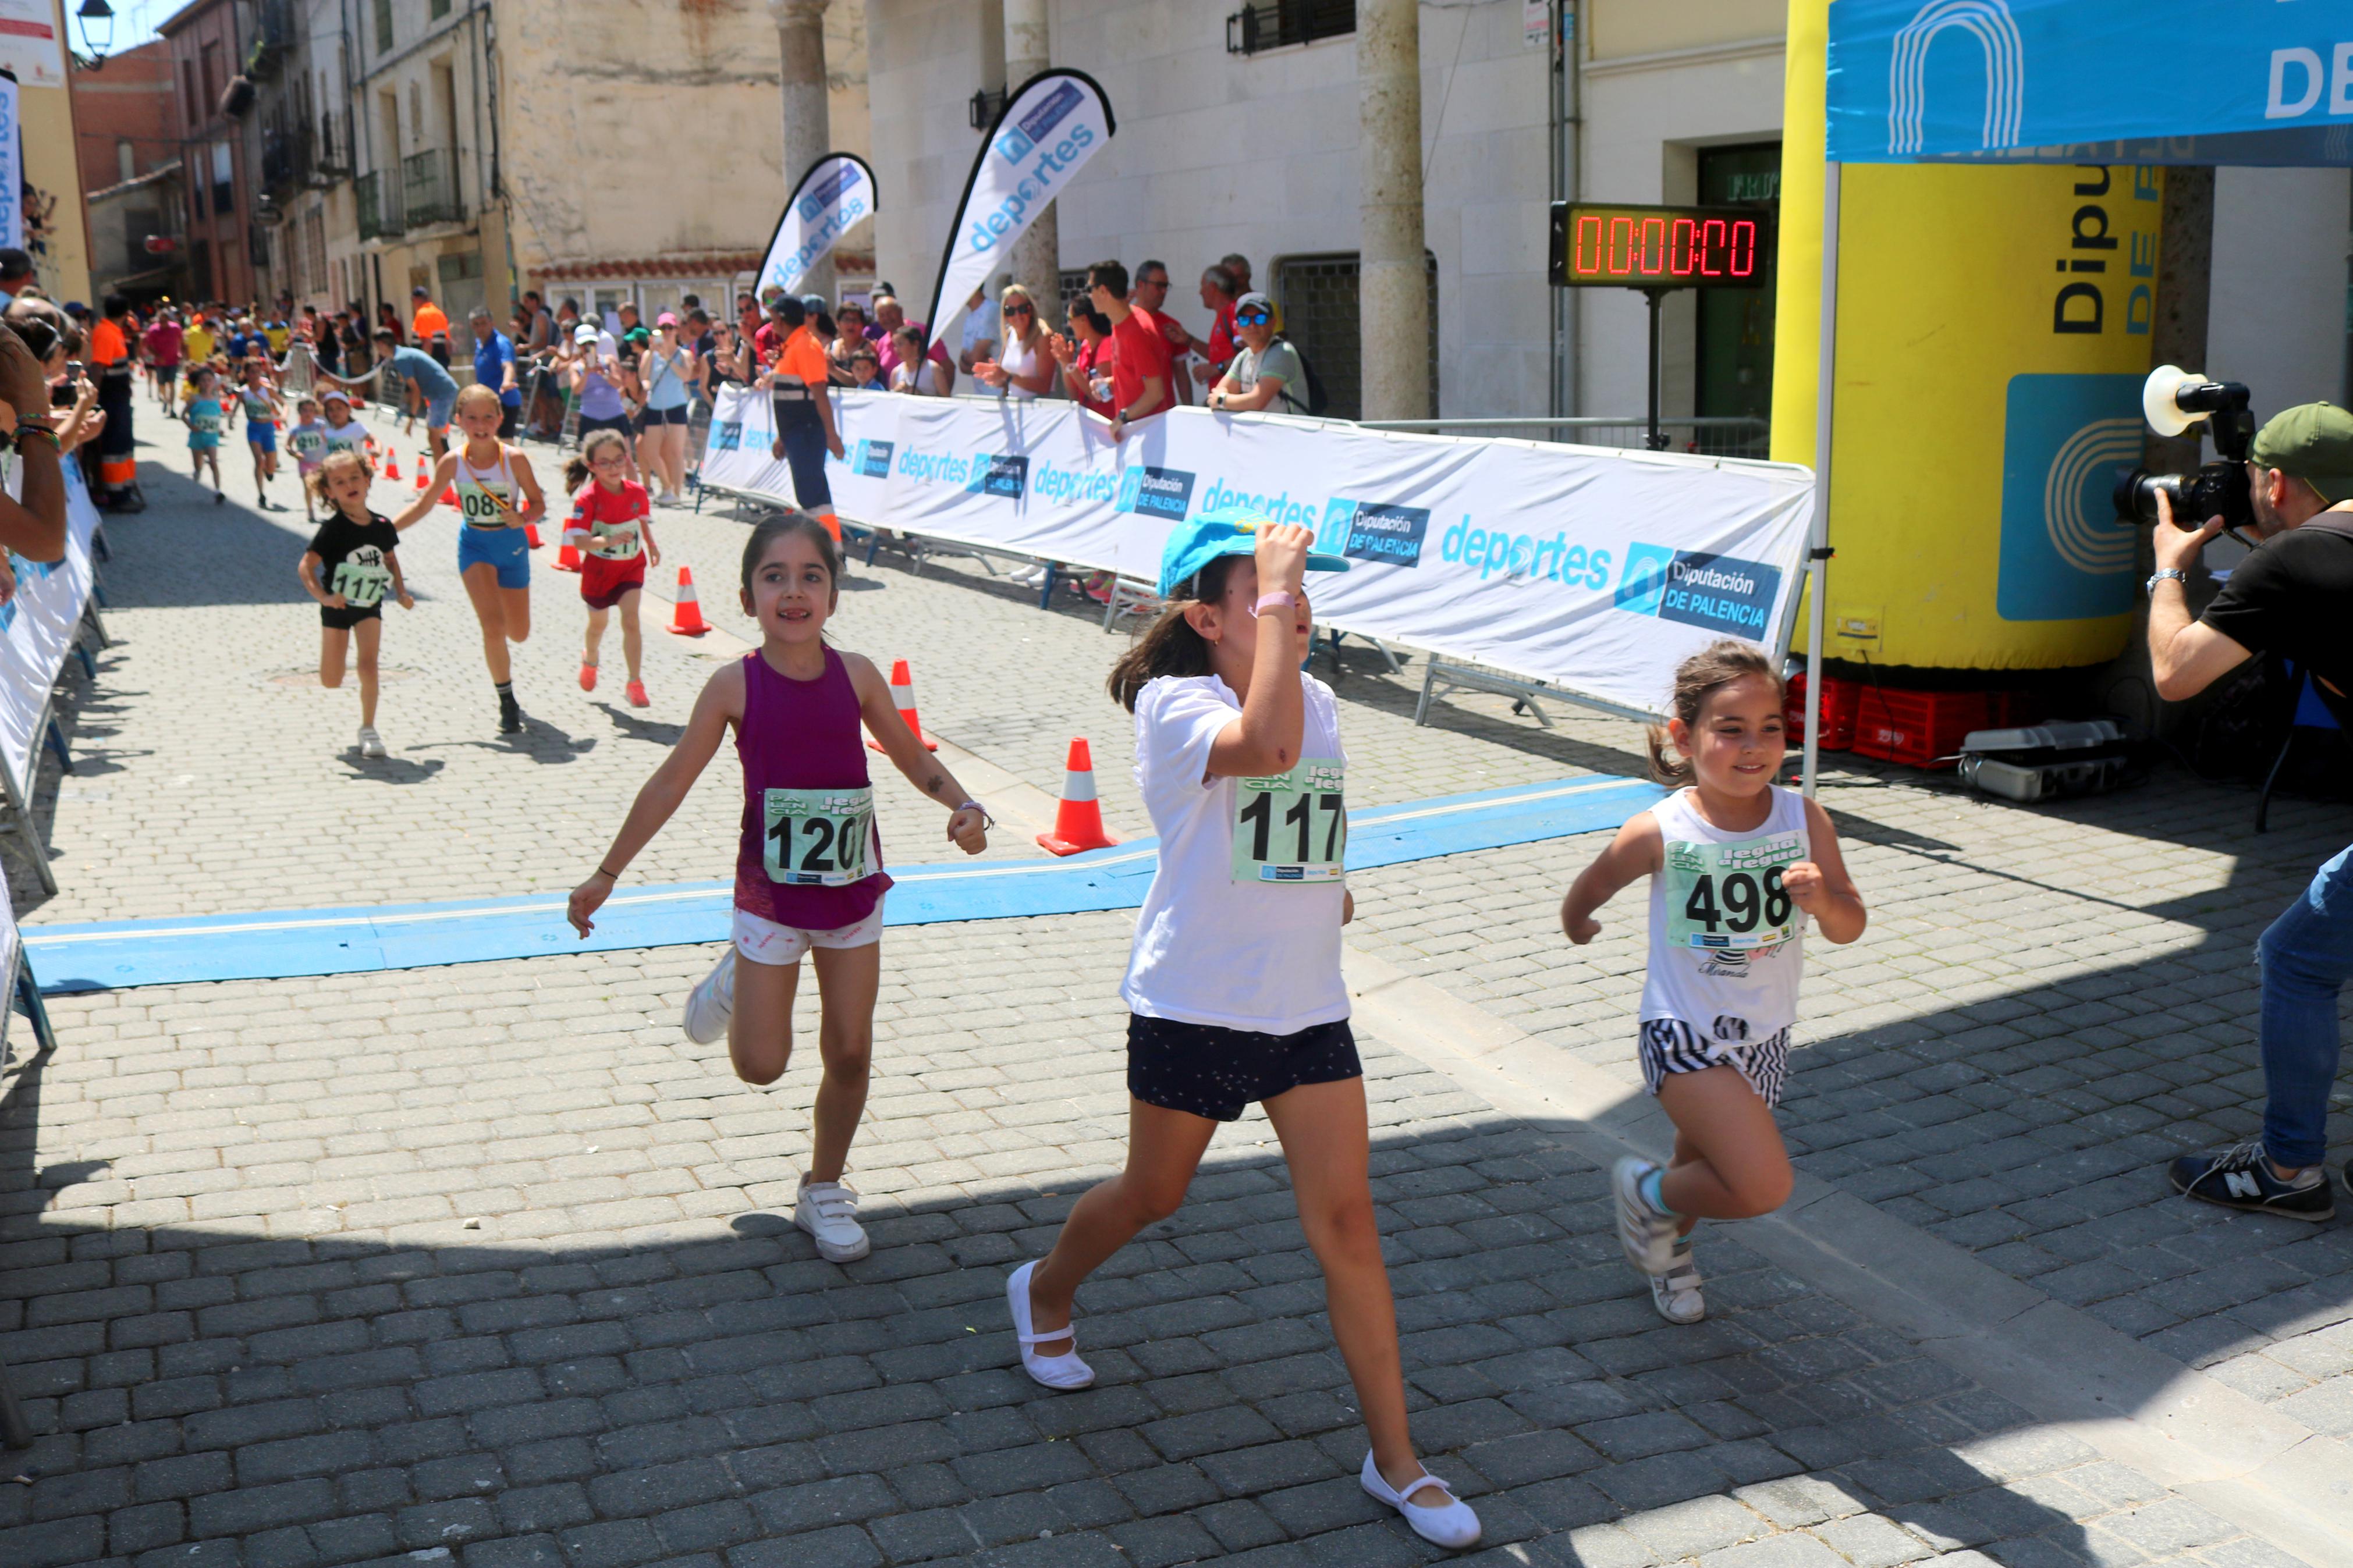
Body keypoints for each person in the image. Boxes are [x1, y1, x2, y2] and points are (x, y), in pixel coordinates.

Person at [1012, 514, 1481, 1551]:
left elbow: (1296, 804)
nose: (1297, 605)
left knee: (1347, 1228)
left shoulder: (1313, 696)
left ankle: (1395, 1461)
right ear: (1206, 616)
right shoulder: (1177, 706)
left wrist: (1327, 888)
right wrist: (1274, 594)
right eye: (1271, 591)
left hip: (1306, 1007)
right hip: (1195, 1002)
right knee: (1154, 1194)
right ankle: (1044, 1286)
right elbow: (1260, 751)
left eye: (1302, 589)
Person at [565, 514, 992, 1264]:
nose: (793, 591)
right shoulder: (734, 685)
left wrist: (960, 804)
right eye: (775, 577)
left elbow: (904, 750)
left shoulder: (857, 674)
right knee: (759, 1065)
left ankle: (823, 1187)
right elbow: (670, 781)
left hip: (853, 890)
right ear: (746, 596)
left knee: (851, 1052)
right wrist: (607, 872)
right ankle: (735, 976)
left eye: (811, 576)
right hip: (769, 897)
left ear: (833, 594)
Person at [1560, 641, 1866, 1323]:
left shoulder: (1803, 818)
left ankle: (1666, 1251)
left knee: (1703, 1162)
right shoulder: (1662, 828)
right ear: (1683, 735)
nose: (1752, 747)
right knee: (1759, 1184)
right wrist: (1578, 918)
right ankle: (1645, 1193)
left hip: (1764, 1034)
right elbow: (1594, 881)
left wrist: (1822, 903)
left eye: (1770, 729)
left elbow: (1849, 924)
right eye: (1729, 729)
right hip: (1682, 1030)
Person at [2148, 406, 2353, 1219]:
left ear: (2273, 482)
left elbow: (2172, 672)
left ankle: (2288, 1169)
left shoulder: (2298, 559)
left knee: (2296, 957)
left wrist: (2167, 568)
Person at [393, 383, 548, 734]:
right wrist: (384, 531)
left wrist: (523, 518)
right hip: (475, 547)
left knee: (519, 633)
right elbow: (424, 504)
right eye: (472, 417)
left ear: (500, 419)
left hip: (511, 547)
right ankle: (506, 700)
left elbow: (539, 503)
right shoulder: (452, 462)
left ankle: (506, 674)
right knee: (492, 627)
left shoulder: (515, 459)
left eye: (488, 417)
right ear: (459, 420)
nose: (481, 425)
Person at [300, 448, 413, 759]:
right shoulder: (332, 529)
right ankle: (333, 662)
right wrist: (323, 597)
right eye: (339, 481)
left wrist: (401, 593)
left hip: (369, 605)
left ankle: (369, 728)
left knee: (369, 665)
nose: (349, 484)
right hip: (337, 607)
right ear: (329, 491)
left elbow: (391, 560)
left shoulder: (382, 525)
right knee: (332, 680)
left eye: (354, 477)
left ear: (367, 480)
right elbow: (305, 567)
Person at [563, 428, 659, 707]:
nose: (613, 468)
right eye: (604, 463)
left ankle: (635, 682)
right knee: (598, 625)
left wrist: (652, 545)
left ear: (627, 460)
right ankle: (590, 659)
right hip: (599, 572)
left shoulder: (637, 491)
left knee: (631, 621)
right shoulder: (588, 499)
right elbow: (579, 542)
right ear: (592, 466)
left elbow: (640, 521)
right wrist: (607, 540)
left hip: (630, 567)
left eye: (618, 460)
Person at [1051, 260, 1170, 440]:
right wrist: (1111, 384)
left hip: (1146, 435)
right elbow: (1137, 375)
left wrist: (1122, 418)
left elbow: (1155, 393)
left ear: (1103, 291)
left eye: (1090, 288)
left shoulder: (1138, 331)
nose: (1088, 295)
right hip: (1135, 434)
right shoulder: (1121, 323)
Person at [761, 296, 846, 539]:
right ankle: (831, 550)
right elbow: (790, 397)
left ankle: (830, 550)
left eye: (774, 317)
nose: (772, 323)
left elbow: (819, 391)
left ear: (782, 318)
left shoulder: (806, 346)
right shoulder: (794, 345)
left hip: (807, 432)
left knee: (813, 497)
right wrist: (782, 436)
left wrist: (831, 435)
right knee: (812, 495)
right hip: (797, 433)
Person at [322, 328, 462, 464]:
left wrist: (412, 417)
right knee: (437, 435)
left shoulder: (401, 358)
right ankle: (447, 470)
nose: (378, 349)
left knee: (434, 436)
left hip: (441, 393)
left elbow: (415, 390)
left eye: (377, 346)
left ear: (382, 344)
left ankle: (443, 476)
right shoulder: (402, 354)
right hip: (440, 392)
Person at [1208, 292, 1306, 417]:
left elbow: (1257, 402)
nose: (1252, 326)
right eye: (1245, 320)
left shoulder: (1282, 352)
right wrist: (1221, 398)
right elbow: (1217, 393)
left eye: (1260, 319)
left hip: (1289, 434)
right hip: (1263, 434)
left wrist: (1222, 400)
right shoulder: (1244, 357)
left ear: (1273, 323)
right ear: (1237, 326)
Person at [635, 312, 697, 502]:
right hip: (655, 407)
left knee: (676, 452)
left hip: (676, 406)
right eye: (663, 329)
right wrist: (653, 352)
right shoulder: (650, 354)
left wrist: (668, 358)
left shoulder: (683, 354)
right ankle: (667, 487)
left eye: (670, 328)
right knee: (650, 451)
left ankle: (676, 494)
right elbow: (643, 376)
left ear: (676, 330)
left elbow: (686, 376)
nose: (667, 332)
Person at [90, 294, 141, 510]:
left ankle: (125, 490)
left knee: (124, 446)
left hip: (119, 399)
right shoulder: (106, 333)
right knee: (115, 448)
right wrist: (92, 400)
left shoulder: (113, 332)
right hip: (111, 401)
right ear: (127, 313)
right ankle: (116, 496)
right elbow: (98, 368)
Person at [971, 283, 1054, 400]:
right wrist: (994, 376)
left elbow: (1045, 386)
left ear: (1031, 310)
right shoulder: (1010, 334)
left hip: (1039, 411)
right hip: (1014, 406)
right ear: (1005, 315)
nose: (1017, 315)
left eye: (1022, 309)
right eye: (1010, 311)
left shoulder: (1043, 336)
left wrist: (1008, 376)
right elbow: (1003, 379)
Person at [1130, 261, 1194, 404]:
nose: (1164, 291)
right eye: (1159, 286)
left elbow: (1181, 372)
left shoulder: (1172, 327)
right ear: (1141, 285)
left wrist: (1189, 410)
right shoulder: (1122, 323)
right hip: (1130, 416)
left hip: (1164, 414)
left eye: (1166, 286)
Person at [232, 356, 285, 510]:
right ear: (246, 374)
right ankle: (261, 494)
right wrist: (231, 418)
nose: (255, 375)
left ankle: (270, 471)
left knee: (270, 465)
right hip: (253, 428)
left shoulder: (267, 389)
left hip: (268, 429)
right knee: (258, 461)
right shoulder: (243, 392)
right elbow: (237, 405)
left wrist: (284, 416)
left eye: (258, 372)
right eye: (252, 372)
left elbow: (283, 403)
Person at [469, 305, 522, 439]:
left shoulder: (501, 343)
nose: (481, 328)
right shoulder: (479, 344)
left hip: (504, 401)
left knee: (505, 444)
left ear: (492, 323)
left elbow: (508, 366)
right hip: (487, 402)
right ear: (472, 327)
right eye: (477, 325)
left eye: (484, 324)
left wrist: (507, 382)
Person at [184, 365, 228, 503]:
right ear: (198, 383)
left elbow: (216, 416)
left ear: (214, 382)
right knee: (199, 466)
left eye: (209, 380)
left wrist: (219, 429)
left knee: (214, 463)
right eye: (203, 380)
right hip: (197, 436)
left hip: (211, 436)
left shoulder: (216, 398)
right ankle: (197, 472)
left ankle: (218, 490)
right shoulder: (194, 399)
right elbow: (182, 415)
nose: (206, 383)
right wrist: (191, 426)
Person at [286, 396, 330, 521]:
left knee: (324, 486)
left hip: (321, 462)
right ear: (299, 412)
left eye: (311, 410)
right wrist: (294, 453)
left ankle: (327, 504)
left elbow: (328, 440)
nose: (308, 413)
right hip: (305, 463)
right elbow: (287, 445)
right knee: (308, 487)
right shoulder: (296, 429)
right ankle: (310, 509)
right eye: (305, 410)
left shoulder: (320, 426)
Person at [885, 326, 949, 396]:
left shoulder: (933, 369)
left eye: (900, 344)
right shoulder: (896, 372)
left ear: (916, 344)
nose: (896, 349)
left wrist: (920, 395)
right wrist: (896, 391)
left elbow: (945, 400)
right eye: (895, 345)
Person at [143, 307, 183, 414]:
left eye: (165, 320)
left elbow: (180, 341)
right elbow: (149, 346)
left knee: (172, 383)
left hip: (173, 361)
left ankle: (172, 407)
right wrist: (157, 356)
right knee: (162, 384)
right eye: (161, 321)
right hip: (160, 362)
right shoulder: (153, 330)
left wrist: (180, 352)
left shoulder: (176, 328)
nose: (163, 323)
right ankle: (165, 399)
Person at [318, 387, 374, 461]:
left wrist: (377, 450)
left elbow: (374, 440)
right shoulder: (326, 431)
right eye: (330, 409)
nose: (335, 412)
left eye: (339, 408)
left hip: (354, 470)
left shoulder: (356, 427)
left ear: (349, 409)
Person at [956, 282, 1000, 374]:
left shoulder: (991, 310)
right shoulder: (969, 319)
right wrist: (971, 361)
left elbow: (975, 359)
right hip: (980, 387)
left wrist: (970, 360)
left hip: (998, 387)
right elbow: (962, 367)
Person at [412, 287, 452, 367]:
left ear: (416, 299)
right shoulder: (439, 313)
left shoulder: (422, 314)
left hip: (430, 363)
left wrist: (424, 366)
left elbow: (427, 342)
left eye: (413, 300)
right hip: (442, 361)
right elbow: (447, 342)